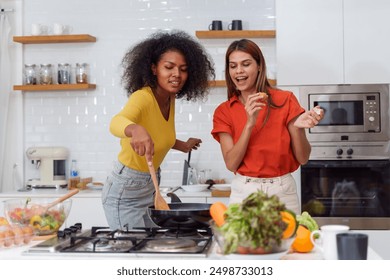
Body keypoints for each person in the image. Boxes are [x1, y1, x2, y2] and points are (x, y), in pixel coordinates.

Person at [102, 30, 215, 230]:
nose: (177, 75)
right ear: (154, 68)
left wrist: (183, 145)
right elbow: (116, 122)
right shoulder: (143, 97)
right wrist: (134, 129)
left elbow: (159, 136)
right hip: (126, 190)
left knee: (149, 248)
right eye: (169, 67)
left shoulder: (169, 98)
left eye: (183, 69)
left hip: (148, 186)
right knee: (132, 250)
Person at [211, 39, 324, 214]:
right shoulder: (224, 111)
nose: (238, 71)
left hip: (282, 192)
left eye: (246, 64)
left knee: (287, 242)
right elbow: (232, 163)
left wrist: (297, 128)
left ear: (259, 66)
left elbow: (303, 158)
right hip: (244, 193)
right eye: (233, 66)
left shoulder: (285, 100)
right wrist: (249, 123)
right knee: (243, 242)